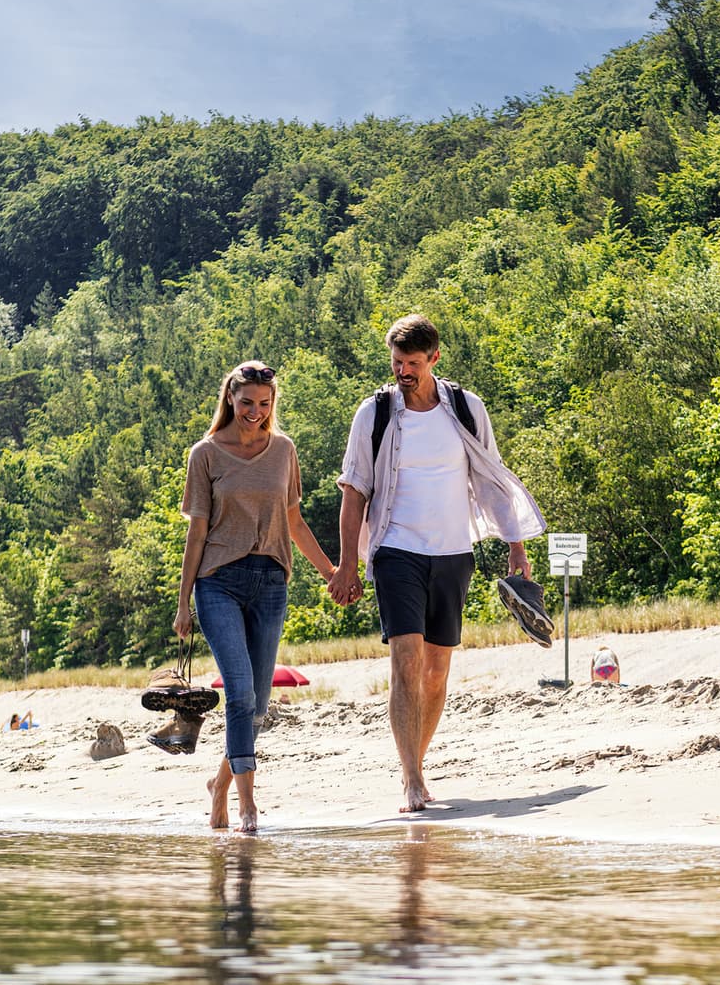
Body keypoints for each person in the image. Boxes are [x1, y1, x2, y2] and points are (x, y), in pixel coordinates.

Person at [330, 313, 548, 813]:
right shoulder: (376, 413)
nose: (403, 372)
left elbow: (491, 480)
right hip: (396, 549)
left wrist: (516, 544)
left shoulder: (467, 409)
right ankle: (410, 779)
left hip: (453, 552)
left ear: (434, 358)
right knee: (405, 660)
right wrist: (347, 563)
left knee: (436, 672)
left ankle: (418, 764)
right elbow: (354, 490)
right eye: (396, 363)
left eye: (412, 363)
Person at [175, 360, 339, 835]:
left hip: (270, 582)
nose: (255, 412)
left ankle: (220, 784)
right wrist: (183, 602)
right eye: (247, 402)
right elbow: (198, 531)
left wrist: (331, 571)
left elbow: (294, 520)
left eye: (264, 404)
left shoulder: (283, 450)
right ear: (230, 397)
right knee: (240, 694)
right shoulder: (205, 454)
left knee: (258, 706)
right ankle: (248, 806)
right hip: (218, 582)